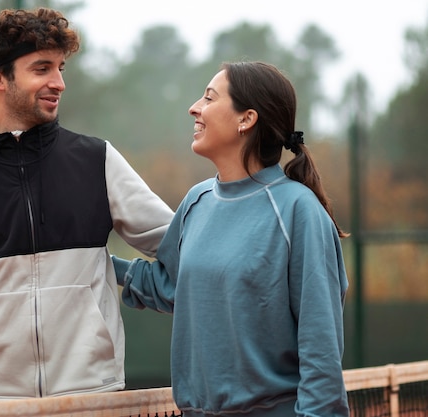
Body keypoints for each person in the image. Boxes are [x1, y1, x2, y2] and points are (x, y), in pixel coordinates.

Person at [0, 7, 173, 407]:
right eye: (42, 68)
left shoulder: (96, 160)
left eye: (61, 68)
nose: (59, 82)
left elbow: (180, 244)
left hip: (94, 398)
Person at [112, 61, 350, 416]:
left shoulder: (299, 211)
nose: (194, 107)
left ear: (246, 119)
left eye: (209, 98)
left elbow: (321, 346)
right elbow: (173, 286)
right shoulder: (197, 200)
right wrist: (94, 262)